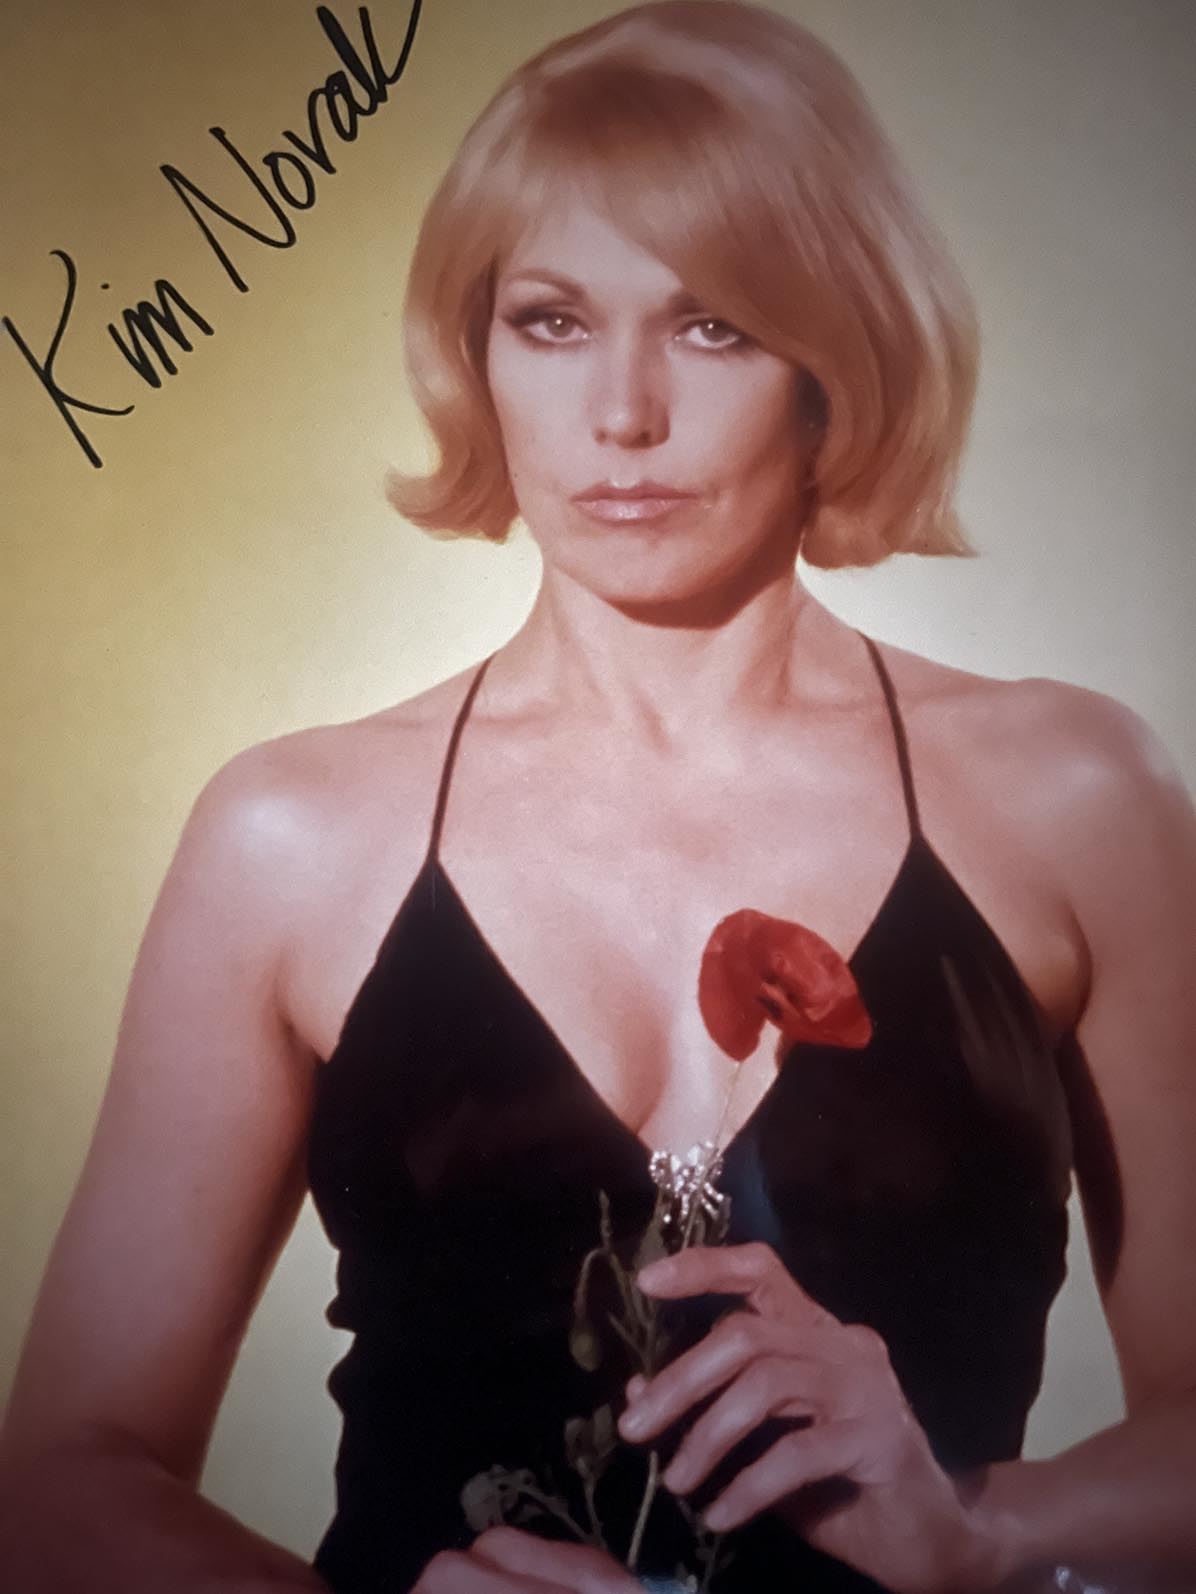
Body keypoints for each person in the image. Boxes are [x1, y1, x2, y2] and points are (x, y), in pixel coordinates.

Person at [2, 2, 1194, 1591]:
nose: (622, 414)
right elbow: (59, 1483)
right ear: (478, 351)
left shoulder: (1075, 798)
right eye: (554, 320)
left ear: (837, 363)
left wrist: (984, 1532)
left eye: (713, 326)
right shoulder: (290, 837)